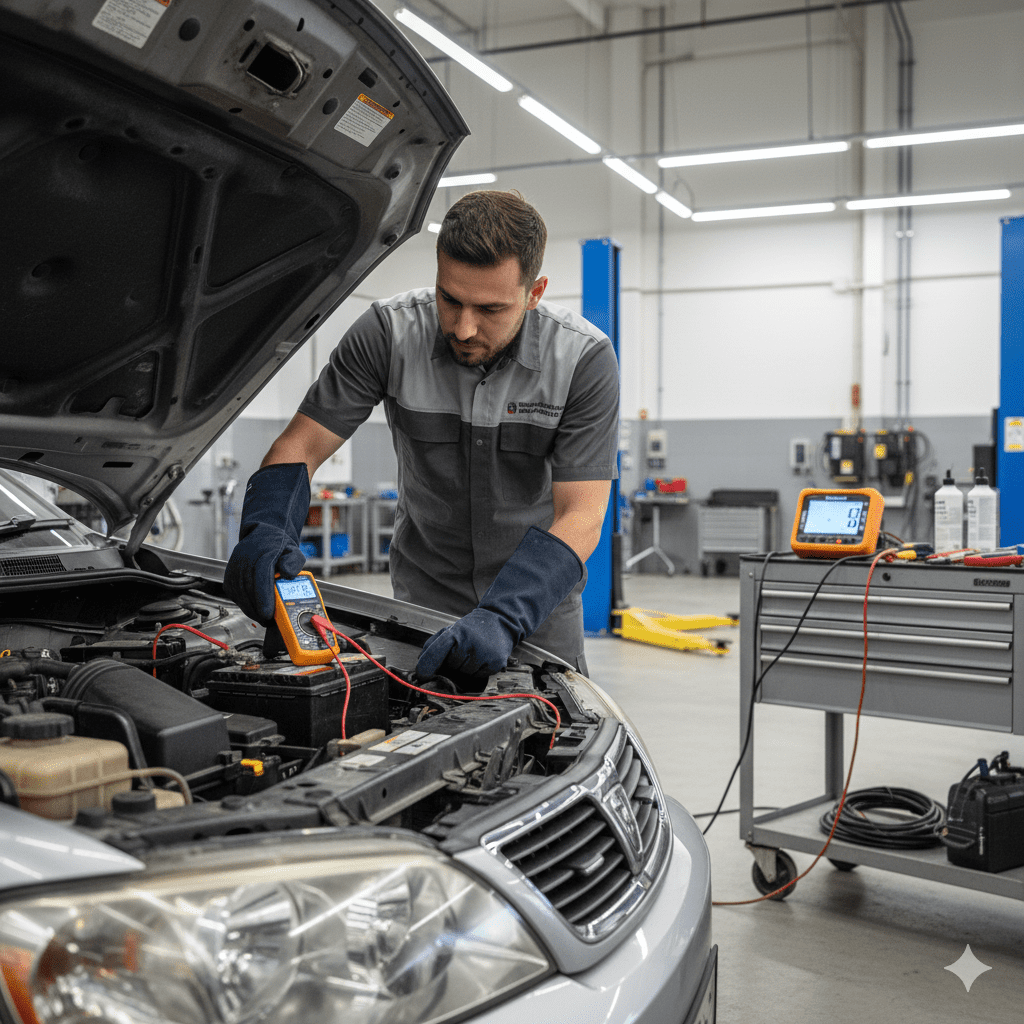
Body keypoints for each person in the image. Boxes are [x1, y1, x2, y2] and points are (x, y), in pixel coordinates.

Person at [224, 190, 619, 680]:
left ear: (534, 293)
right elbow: (300, 445)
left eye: (490, 309)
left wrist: (503, 614)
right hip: (420, 612)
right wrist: (266, 527)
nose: (464, 326)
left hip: (535, 617)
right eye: (449, 299)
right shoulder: (387, 335)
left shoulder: (583, 360)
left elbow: (582, 515)